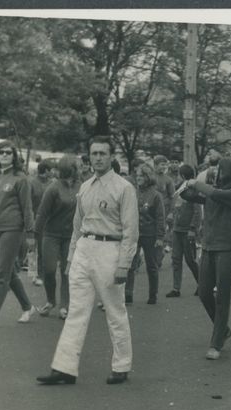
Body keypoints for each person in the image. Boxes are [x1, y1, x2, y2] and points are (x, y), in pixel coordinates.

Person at [37, 136, 138, 385]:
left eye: (103, 153)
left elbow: (131, 230)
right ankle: (64, 368)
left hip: (110, 249)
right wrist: (72, 258)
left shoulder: (124, 188)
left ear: (111, 156)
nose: (98, 158)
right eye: (94, 154)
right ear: (89, 157)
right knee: (76, 311)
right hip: (84, 248)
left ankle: (121, 365)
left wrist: (124, 264)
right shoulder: (85, 187)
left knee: (115, 310)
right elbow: (77, 225)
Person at [181, 158, 231, 360]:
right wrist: (185, 184)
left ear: (229, 172)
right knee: (204, 292)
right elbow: (187, 195)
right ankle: (223, 329)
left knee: (223, 296)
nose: (216, 172)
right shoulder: (213, 191)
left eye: (220, 169)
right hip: (209, 246)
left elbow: (215, 194)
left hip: (226, 247)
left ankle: (216, 343)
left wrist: (196, 183)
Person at [0, 140, 36, 329]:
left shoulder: (21, 179)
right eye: (1, 152)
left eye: (8, 152)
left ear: (14, 156)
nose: (4, 155)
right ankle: (27, 307)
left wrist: (30, 234)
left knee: (1, 274)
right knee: (8, 272)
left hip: (12, 229)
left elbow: (27, 208)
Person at [34, 155, 80, 320]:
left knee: (67, 272)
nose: (77, 170)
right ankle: (51, 301)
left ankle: (64, 306)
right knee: (49, 270)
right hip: (51, 235)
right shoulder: (53, 188)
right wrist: (33, 236)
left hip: (70, 236)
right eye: (74, 167)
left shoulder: (81, 187)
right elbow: (41, 214)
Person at [126, 163, 166, 305]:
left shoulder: (156, 195)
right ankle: (128, 295)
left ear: (148, 177)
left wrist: (160, 237)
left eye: (141, 176)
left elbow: (160, 217)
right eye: (137, 176)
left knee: (152, 266)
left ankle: (153, 295)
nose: (138, 178)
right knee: (130, 265)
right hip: (134, 234)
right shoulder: (132, 192)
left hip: (150, 235)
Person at [166, 164, 201, 298]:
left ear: (183, 176)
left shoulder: (193, 189)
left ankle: (201, 284)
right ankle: (176, 288)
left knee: (190, 260)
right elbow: (175, 205)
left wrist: (193, 228)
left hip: (187, 230)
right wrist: (172, 216)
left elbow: (197, 211)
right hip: (177, 229)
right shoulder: (179, 189)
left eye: (178, 175)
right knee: (176, 259)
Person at [29, 158, 56, 286]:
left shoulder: (52, 183)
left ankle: (41, 274)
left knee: (43, 249)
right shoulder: (32, 183)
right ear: (46, 170)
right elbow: (28, 203)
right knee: (32, 247)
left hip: (48, 220)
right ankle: (33, 273)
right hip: (34, 219)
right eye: (51, 170)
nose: (53, 172)